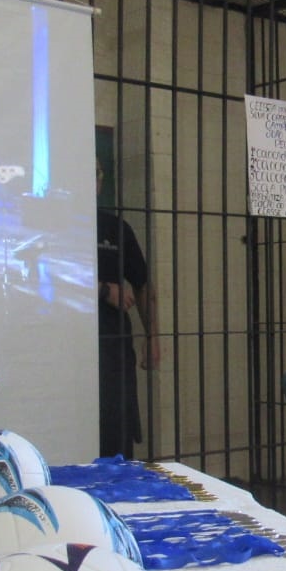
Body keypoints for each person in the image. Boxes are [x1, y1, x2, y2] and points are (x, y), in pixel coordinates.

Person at [96, 160, 162, 458]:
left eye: (97, 172)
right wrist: (100, 289)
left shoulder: (116, 227)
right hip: (65, 346)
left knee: (116, 430)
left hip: (113, 345)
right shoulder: (53, 223)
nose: (92, 180)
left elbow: (143, 284)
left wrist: (153, 338)